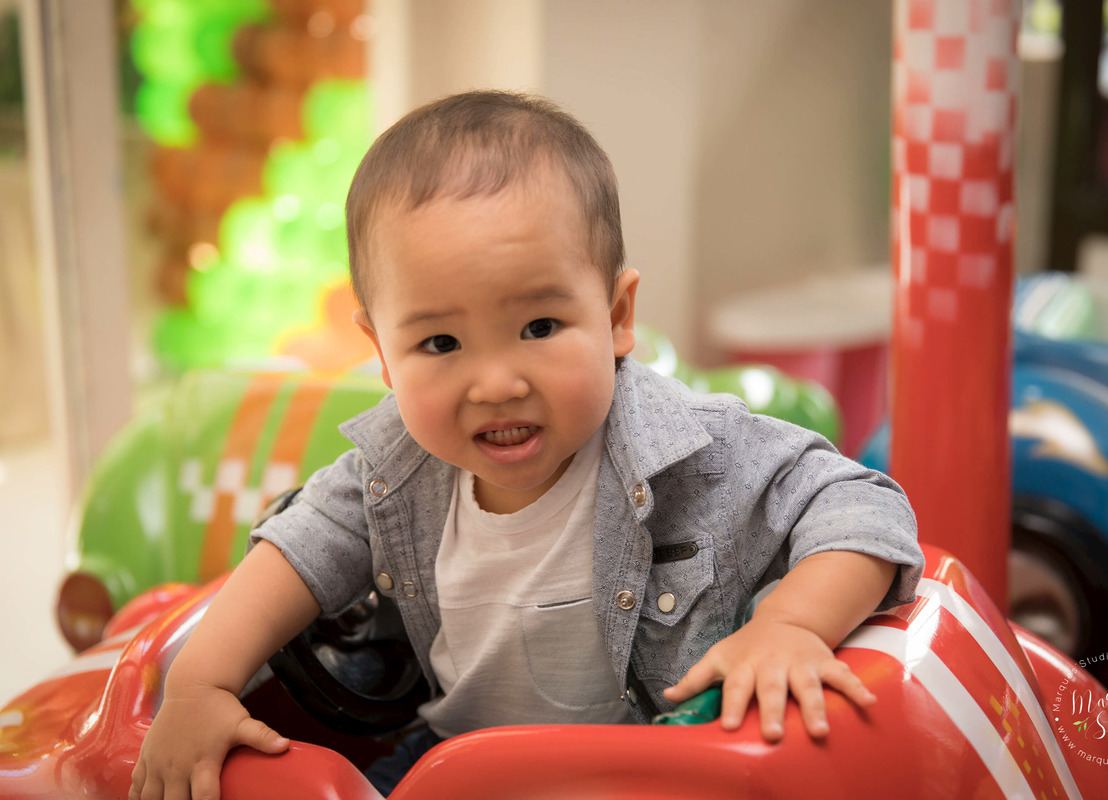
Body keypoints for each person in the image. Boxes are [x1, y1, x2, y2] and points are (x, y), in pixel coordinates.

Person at [129, 90, 922, 800]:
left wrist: (790, 624)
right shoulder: (391, 476)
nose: (496, 382)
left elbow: (861, 503)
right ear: (380, 351)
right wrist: (199, 688)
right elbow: (289, 558)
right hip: (453, 764)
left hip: (656, 772)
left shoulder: (693, 452)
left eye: (540, 328)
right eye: (440, 343)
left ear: (616, 315)